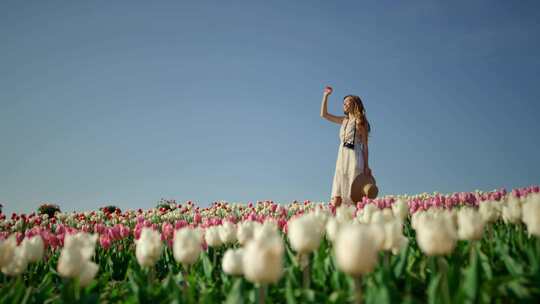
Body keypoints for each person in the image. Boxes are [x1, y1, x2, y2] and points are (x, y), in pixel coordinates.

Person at [320, 85, 372, 207]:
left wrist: (367, 165)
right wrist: (325, 96)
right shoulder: (343, 120)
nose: (344, 104)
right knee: (337, 194)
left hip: (354, 156)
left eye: (347, 102)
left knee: (353, 194)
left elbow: (365, 146)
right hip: (342, 156)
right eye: (343, 103)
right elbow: (324, 114)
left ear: (354, 104)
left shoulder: (360, 122)